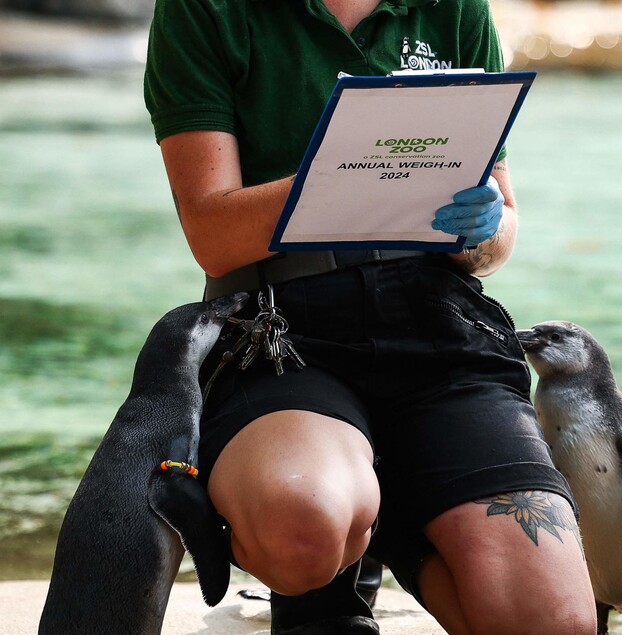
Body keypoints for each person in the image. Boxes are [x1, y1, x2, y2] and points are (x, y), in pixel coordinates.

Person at [143, 0, 598, 633]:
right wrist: (363, 176)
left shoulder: (457, 8)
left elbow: (495, 243)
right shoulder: (205, 10)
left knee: (553, 624)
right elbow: (214, 235)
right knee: (300, 535)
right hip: (277, 325)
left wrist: (485, 227)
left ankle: (388, 520)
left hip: (439, 323)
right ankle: (339, 520)